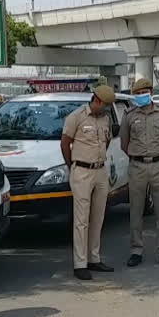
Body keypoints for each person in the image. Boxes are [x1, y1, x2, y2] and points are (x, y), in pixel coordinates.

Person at [61, 84, 118, 281]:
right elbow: (65, 143)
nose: (107, 109)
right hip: (82, 171)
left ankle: (94, 258)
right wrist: (73, 166)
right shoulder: (76, 117)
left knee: (98, 217)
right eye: (106, 105)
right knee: (81, 220)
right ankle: (80, 263)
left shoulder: (106, 119)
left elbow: (107, 141)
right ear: (97, 100)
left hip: (100, 171)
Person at [120, 78, 159, 268]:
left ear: (151, 92)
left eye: (143, 92)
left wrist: (158, 154)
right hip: (137, 166)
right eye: (137, 93)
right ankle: (136, 250)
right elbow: (124, 144)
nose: (140, 96)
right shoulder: (128, 115)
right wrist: (138, 156)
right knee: (136, 210)